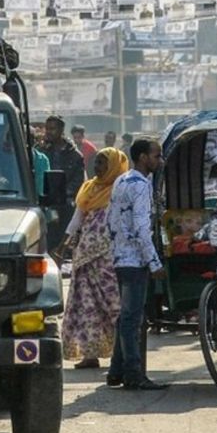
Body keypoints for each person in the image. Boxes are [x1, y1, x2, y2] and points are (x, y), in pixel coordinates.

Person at [53, 148, 128, 368]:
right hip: (85, 257)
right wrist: (62, 245)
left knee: (114, 304)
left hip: (109, 258)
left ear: (114, 165)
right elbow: (77, 219)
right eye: (96, 163)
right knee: (86, 306)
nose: (97, 168)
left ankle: (121, 353)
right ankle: (89, 355)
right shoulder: (89, 187)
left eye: (102, 164)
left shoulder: (122, 189)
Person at [107, 138, 169, 390]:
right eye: (156, 155)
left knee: (127, 317)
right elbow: (143, 230)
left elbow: (110, 222)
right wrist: (154, 263)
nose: (159, 160)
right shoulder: (141, 186)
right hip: (135, 260)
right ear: (143, 157)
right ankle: (134, 374)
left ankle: (115, 371)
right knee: (132, 319)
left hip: (121, 257)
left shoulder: (121, 180)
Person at [39, 115, 86, 250]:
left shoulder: (74, 155)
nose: (48, 132)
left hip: (66, 203)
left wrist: (61, 194)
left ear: (61, 130)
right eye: (47, 128)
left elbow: (78, 181)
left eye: (52, 129)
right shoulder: (41, 151)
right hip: (45, 202)